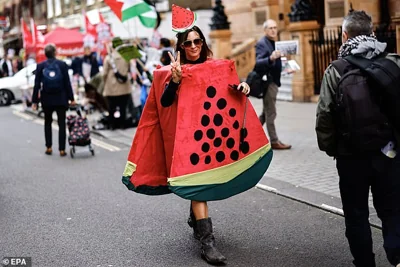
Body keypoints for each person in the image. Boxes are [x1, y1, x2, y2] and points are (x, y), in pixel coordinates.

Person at [316, 10, 400, 267]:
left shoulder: (336, 70)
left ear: (343, 35)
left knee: (356, 214)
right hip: (389, 153)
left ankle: (365, 262)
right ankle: (397, 256)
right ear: (372, 32)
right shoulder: (394, 62)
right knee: (392, 210)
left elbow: (325, 116)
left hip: (351, 156)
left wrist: (331, 148)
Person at [161, 26, 250, 265]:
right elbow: (165, 101)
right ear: (180, 46)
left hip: (212, 134)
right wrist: (175, 81)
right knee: (199, 185)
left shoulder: (216, 66)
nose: (192, 47)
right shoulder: (176, 70)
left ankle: (195, 217)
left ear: (203, 42)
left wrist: (241, 88)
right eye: (187, 43)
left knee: (202, 182)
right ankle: (207, 243)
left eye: (196, 41)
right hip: (188, 137)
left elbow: (228, 89)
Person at [32, 44, 76, 156]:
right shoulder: (62, 65)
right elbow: (67, 83)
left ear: (45, 54)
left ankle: (49, 147)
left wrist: (34, 102)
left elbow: (36, 85)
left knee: (48, 123)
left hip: (47, 99)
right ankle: (62, 149)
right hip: (61, 98)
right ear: (55, 53)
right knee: (62, 123)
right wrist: (71, 98)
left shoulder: (40, 66)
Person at [255, 19, 291, 150]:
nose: (273, 30)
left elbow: (277, 62)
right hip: (268, 83)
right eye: (270, 28)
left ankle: (250, 134)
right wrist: (270, 58)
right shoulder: (262, 44)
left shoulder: (273, 43)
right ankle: (274, 141)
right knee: (271, 113)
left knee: (265, 113)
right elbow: (258, 62)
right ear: (265, 30)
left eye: (275, 27)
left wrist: (287, 68)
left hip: (274, 82)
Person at [103, 37, 132, 130]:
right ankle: (122, 125)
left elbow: (104, 73)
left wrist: (105, 83)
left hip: (112, 87)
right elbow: (129, 69)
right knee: (123, 107)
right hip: (124, 86)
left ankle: (112, 125)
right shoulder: (126, 56)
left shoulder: (109, 58)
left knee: (112, 108)